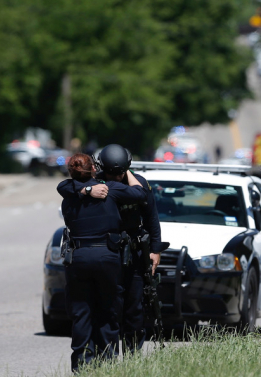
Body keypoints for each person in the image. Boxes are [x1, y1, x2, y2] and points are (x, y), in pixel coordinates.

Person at [58, 153, 147, 372]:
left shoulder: (69, 193)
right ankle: (106, 361)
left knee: (81, 312)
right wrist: (126, 170)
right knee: (108, 309)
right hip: (107, 256)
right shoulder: (110, 189)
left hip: (77, 258)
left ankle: (81, 364)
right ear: (94, 169)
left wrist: (84, 189)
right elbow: (139, 193)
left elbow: (62, 186)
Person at [96, 144, 163, 352]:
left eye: (119, 173)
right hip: (107, 252)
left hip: (134, 253)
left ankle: (132, 355)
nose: (115, 178)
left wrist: (155, 250)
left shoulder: (139, 184)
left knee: (134, 307)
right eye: (110, 173)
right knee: (110, 306)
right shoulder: (96, 184)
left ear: (126, 168)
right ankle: (108, 355)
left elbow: (152, 218)